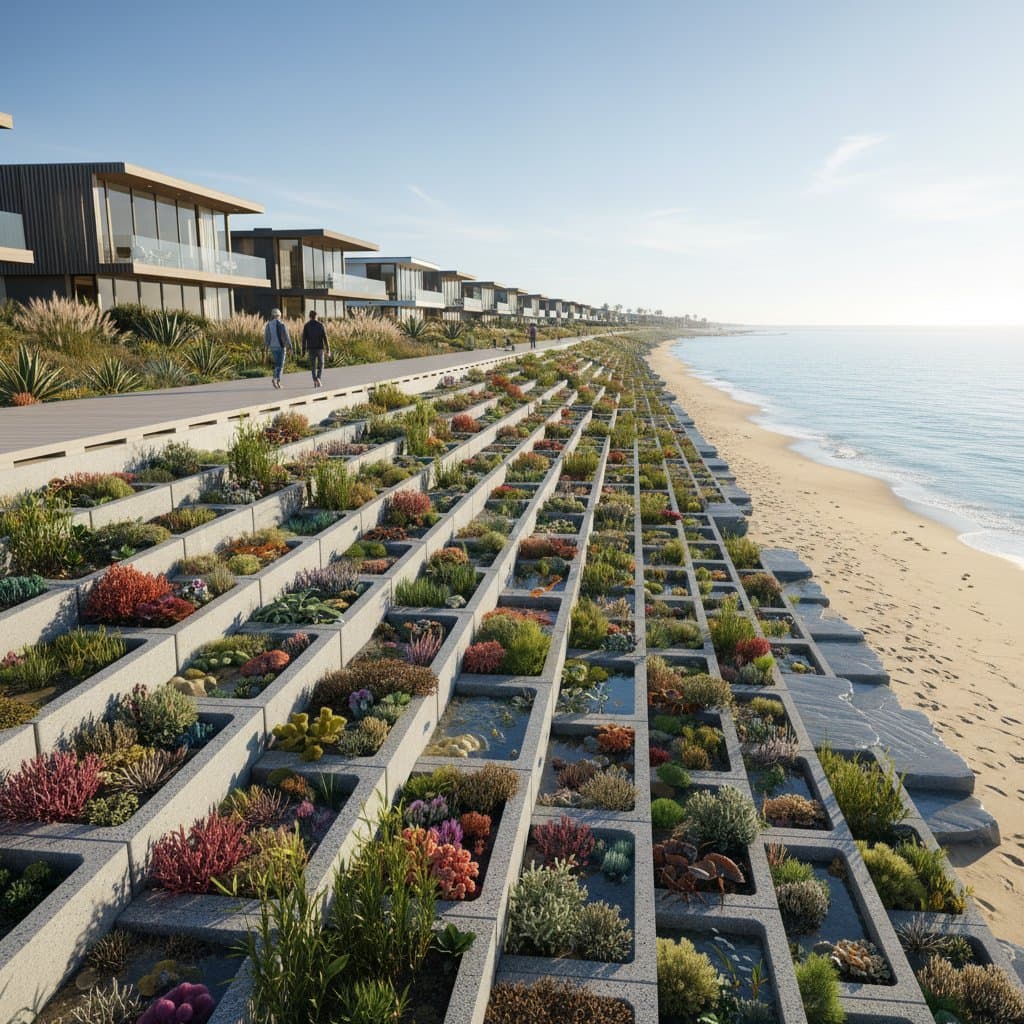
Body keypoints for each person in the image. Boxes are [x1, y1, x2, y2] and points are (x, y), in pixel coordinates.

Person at [301, 309, 330, 387]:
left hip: (311, 348)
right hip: (320, 348)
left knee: (313, 366)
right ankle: (318, 378)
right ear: (316, 316)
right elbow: (325, 338)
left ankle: (315, 380)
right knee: (321, 364)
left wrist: (303, 351)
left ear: (310, 317)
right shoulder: (321, 325)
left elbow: (304, 339)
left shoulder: (306, 326)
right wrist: (328, 349)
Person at [264, 309, 292, 388]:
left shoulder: (268, 325)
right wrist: (290, 347)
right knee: (281, 365)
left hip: (272, 347)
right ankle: (277, 380)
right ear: (279, 315)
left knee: (277, 364)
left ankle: (276, 379)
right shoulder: (281, 324)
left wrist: (266, 347)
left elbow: (266, 337)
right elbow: (286, 336)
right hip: (281, 347)